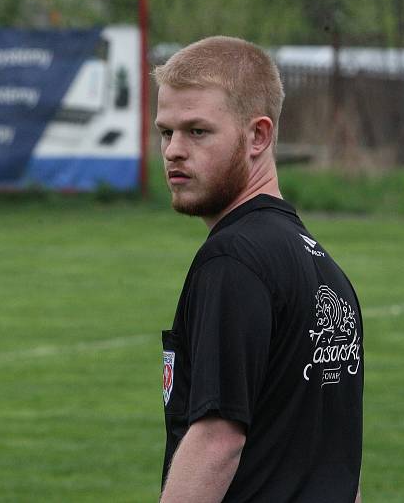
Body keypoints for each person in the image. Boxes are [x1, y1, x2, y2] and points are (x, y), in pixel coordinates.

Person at [155, 36, 363, 503]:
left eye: (197, 131)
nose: (173, 151)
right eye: (166, 132)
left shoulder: (233, 260)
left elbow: (217, 441)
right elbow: (344, 467)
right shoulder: (325, 268)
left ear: (258, 136)